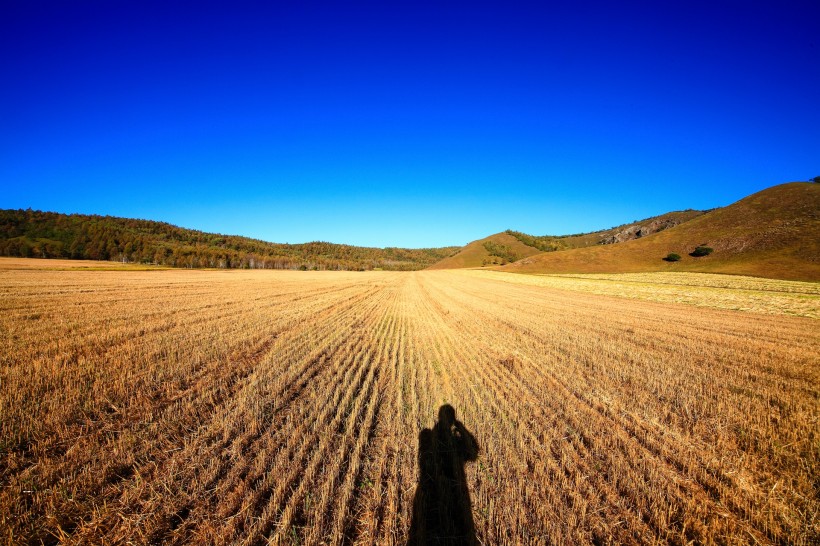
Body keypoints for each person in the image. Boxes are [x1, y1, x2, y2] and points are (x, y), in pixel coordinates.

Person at [407, 404, 479, 545]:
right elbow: (472, 453)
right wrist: (461, 427)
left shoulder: (433, 436)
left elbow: (473, 454)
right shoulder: (444, 437)